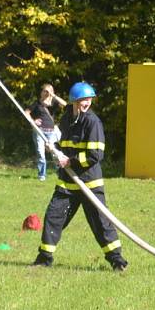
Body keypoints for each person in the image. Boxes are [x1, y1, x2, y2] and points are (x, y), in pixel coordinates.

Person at [31, 81, 128, 271]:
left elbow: (95, 155)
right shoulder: (67, 119)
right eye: (83, 100)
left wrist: (70, 161)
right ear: (74, 101)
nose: (87, 103)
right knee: (53, 217)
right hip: (67, 183)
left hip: (89, 183)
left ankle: (117, 260)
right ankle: (44, 258)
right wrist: (55, 149)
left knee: (100, 223)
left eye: (89, 100)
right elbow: (66, 147)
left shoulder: (93, 122)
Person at [25, 83, 66, 181]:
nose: (46, 93)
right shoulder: (37, 103)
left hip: (51, 132)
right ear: (41, 92)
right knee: (40, 153)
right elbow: (26, 112)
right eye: (44, 91)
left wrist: (54, 95)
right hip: (39, 131)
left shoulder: (54, 103)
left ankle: (60, 173)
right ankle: (42, 175)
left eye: (48, 91)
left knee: (55, 153)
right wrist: (33, 121)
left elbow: (65, 105)